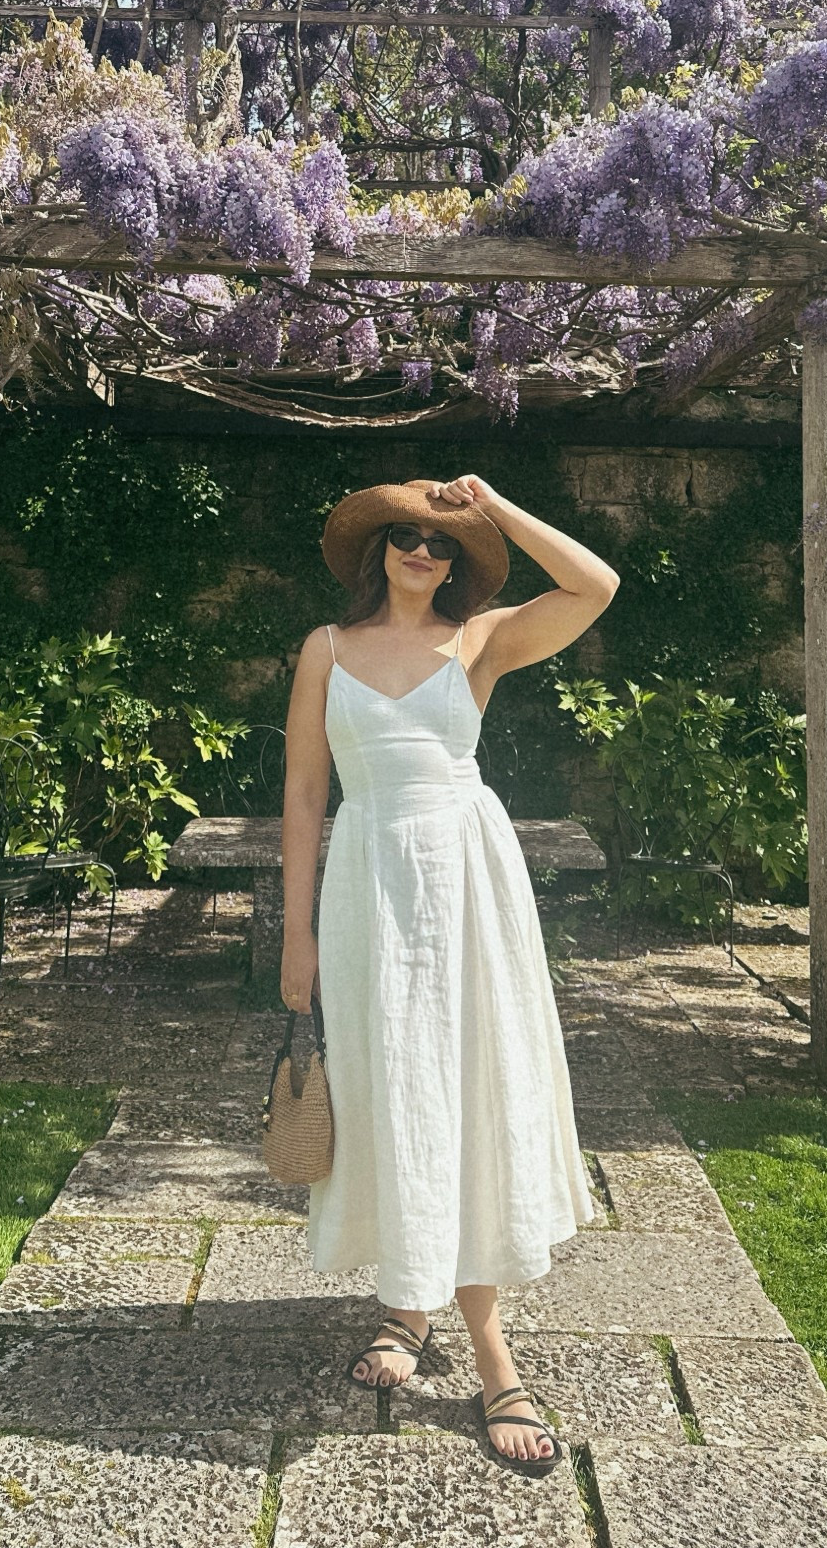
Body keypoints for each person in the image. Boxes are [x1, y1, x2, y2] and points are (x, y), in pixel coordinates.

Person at [279, 472, 619, 1477]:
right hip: (366, 886)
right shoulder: (325, 650)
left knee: (463, 1094)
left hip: (467, 881)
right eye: (406, 535)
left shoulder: (478, 640)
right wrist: (294, 933)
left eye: (440, 542)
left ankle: (494, 1354)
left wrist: (496, 506)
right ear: (378, 548)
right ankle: (407, 1301)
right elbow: (304, 793)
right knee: (394, 1094)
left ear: (458, 559)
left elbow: (594, 583)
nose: (421, 552)